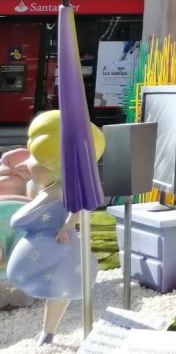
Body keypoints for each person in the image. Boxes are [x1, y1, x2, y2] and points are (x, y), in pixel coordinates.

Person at [5, 111, 105, 346]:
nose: (28, 167)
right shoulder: (44, 187)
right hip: (44, 245)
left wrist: (65, 227)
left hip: (61, 246)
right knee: (53, 288)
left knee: (60, 289)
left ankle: (49, 332)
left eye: (34, 163)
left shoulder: (63, 190)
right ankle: (47, 332)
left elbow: (78, 209)